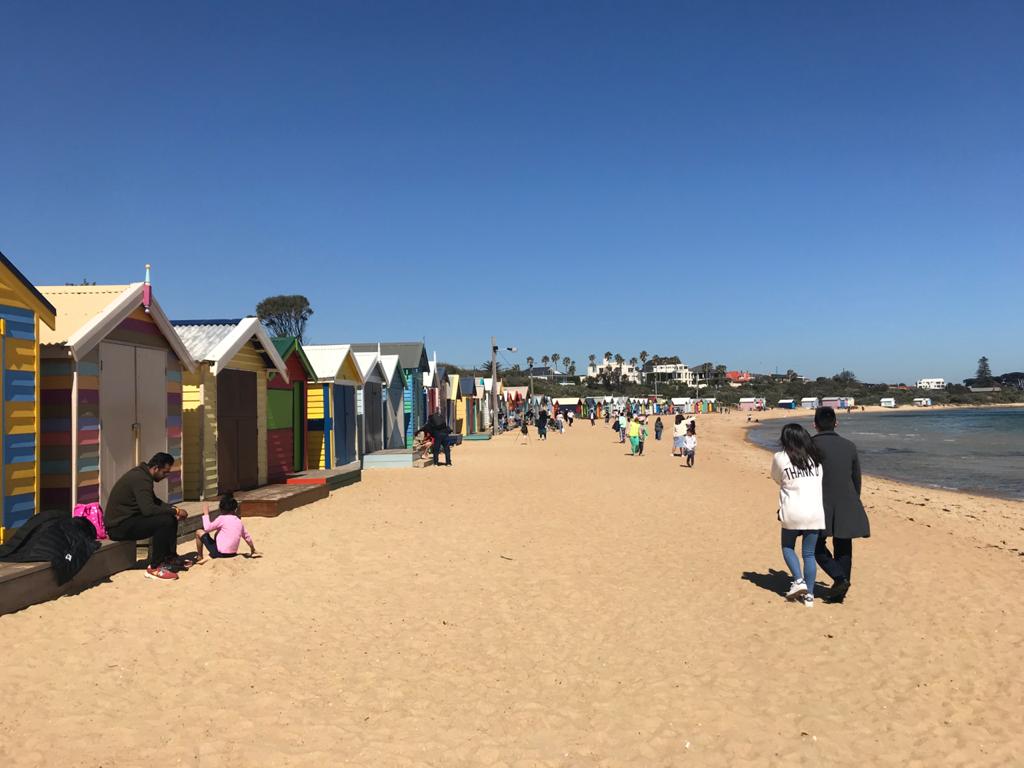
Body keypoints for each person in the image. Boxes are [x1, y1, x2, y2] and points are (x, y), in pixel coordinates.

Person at [812, 406, 870, 603]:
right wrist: (854, 499)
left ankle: (840, 579)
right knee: (844, 546)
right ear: (836, 423)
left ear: (815, 424)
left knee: (815, 545)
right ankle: (841, 589)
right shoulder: (849, 445)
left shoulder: (809, 446)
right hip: (847, 500)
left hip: (818, 501)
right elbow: (856, 478)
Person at [104, 452, 189, 581]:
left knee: (169, 518)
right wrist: (175, 512)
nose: (166, 476)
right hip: (118, 526)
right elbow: (148, 510)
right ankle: (155, 567)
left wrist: (174, 509)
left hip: (129, 519)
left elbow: (154, 502)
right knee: (165, 521)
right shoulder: (141, 479)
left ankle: (169, 557)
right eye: (165, 472)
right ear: (155, 468)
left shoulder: (143, 475)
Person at [770, 423, 825, 608]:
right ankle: (809, 595)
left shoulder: (780, 457)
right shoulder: (815, 459)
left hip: (792, 509)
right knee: (809, 554)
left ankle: (799, 579)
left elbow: (777, 478)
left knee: (787, 546)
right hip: (815, 511)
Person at [195, 493, 257, 561]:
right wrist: (252, 549)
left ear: (221, 509)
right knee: (218, 533)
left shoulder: (221, 518)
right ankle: (212, 555)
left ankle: (200, 556)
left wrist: (206, 513)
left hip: (220, 554)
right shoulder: (239, 521)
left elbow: (207, 528)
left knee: (199, 532)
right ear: (235, 509)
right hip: (233, 553)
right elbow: (247, 537)